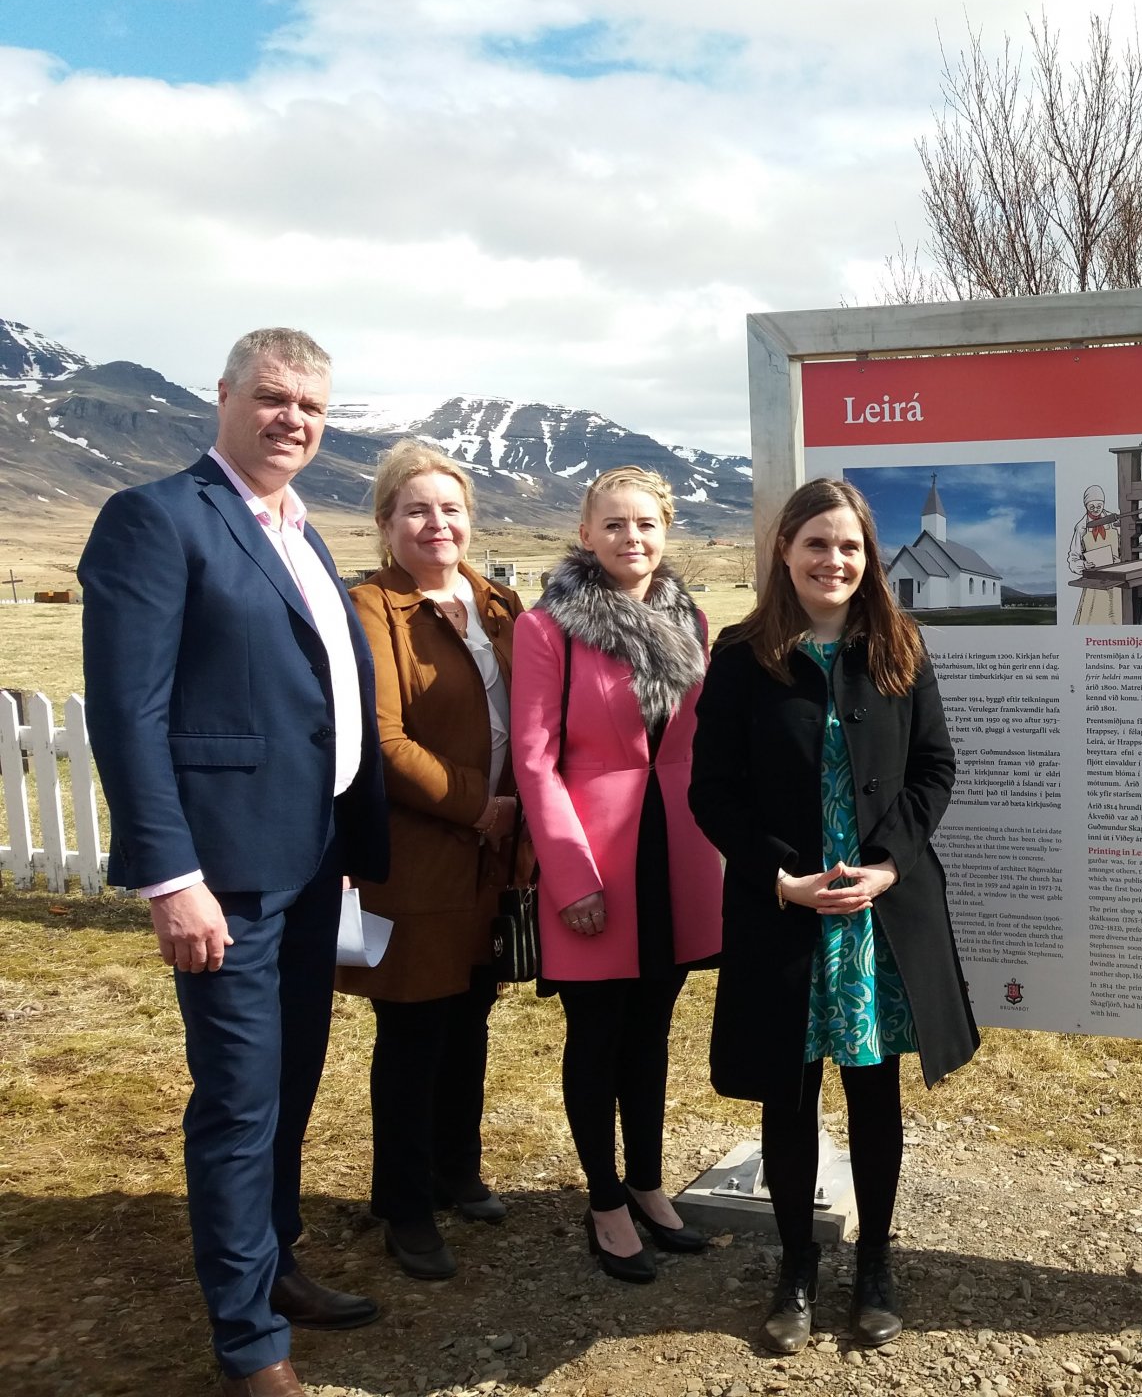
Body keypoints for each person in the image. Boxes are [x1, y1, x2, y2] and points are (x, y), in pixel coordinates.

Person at [79, 329, 389, 1397]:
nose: (292, 419)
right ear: (223, 397)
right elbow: (130, 715)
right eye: (271, 398)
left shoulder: (302, 532)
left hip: (310, 865)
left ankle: (277, 1262)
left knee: (292, 1081)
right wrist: (172, 879)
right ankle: (250, 1345)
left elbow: (314, 704)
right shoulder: (157, 521)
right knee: (240, 1102)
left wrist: (346, 849)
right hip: (227, 877)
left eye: (310, 405)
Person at [689, 477, 980, 1354]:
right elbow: (713, 791)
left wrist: (888, 866)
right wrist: (780, 878)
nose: (834, 560)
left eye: (849, 545)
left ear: (869, 556)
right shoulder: (743, 656)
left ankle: (878, 1265)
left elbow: (935, 767)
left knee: (873, 1092)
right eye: (817, 543)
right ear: (785, 552)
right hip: (787, 911)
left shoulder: (898, 644)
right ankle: (794, 1268)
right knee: (789, 1095)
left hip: (876, 919)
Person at [510, 467, 722, 1284]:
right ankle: (603, 1198)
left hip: (678, 855)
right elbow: (534, 763)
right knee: (596, 1036)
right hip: (594, 859)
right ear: (585, 533)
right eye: (614, 525)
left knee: (654, 1031)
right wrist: (573, 878)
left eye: (646, 525)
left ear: (665, 531)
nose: (631, 539)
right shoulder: (548, 628)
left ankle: (647, 1181)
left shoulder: (690, 618)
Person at [338, 439, 526, 1281]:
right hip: (419, 857)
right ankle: (404, 1205)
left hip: (496, 859)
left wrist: (515, 817)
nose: (435, 524)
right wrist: (474, 804)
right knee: (414, 1030)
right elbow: (381, 739)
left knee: (472, 1019)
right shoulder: (370, 609)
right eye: (416, 509)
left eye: (449, 508)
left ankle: (457, 1170)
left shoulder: (501, 605)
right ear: (387, 523)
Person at [1067, 483, 1123, 625]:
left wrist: (1121, 560)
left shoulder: (1114, 522)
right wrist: (1083, 564)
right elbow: (1073, 558)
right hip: (1095, 583)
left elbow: (1125, 547)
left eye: (1099, 505)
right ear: (1086, 506)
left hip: (1116, 580)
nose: (1096, 509)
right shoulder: (1081, 527)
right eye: (1092, 506)